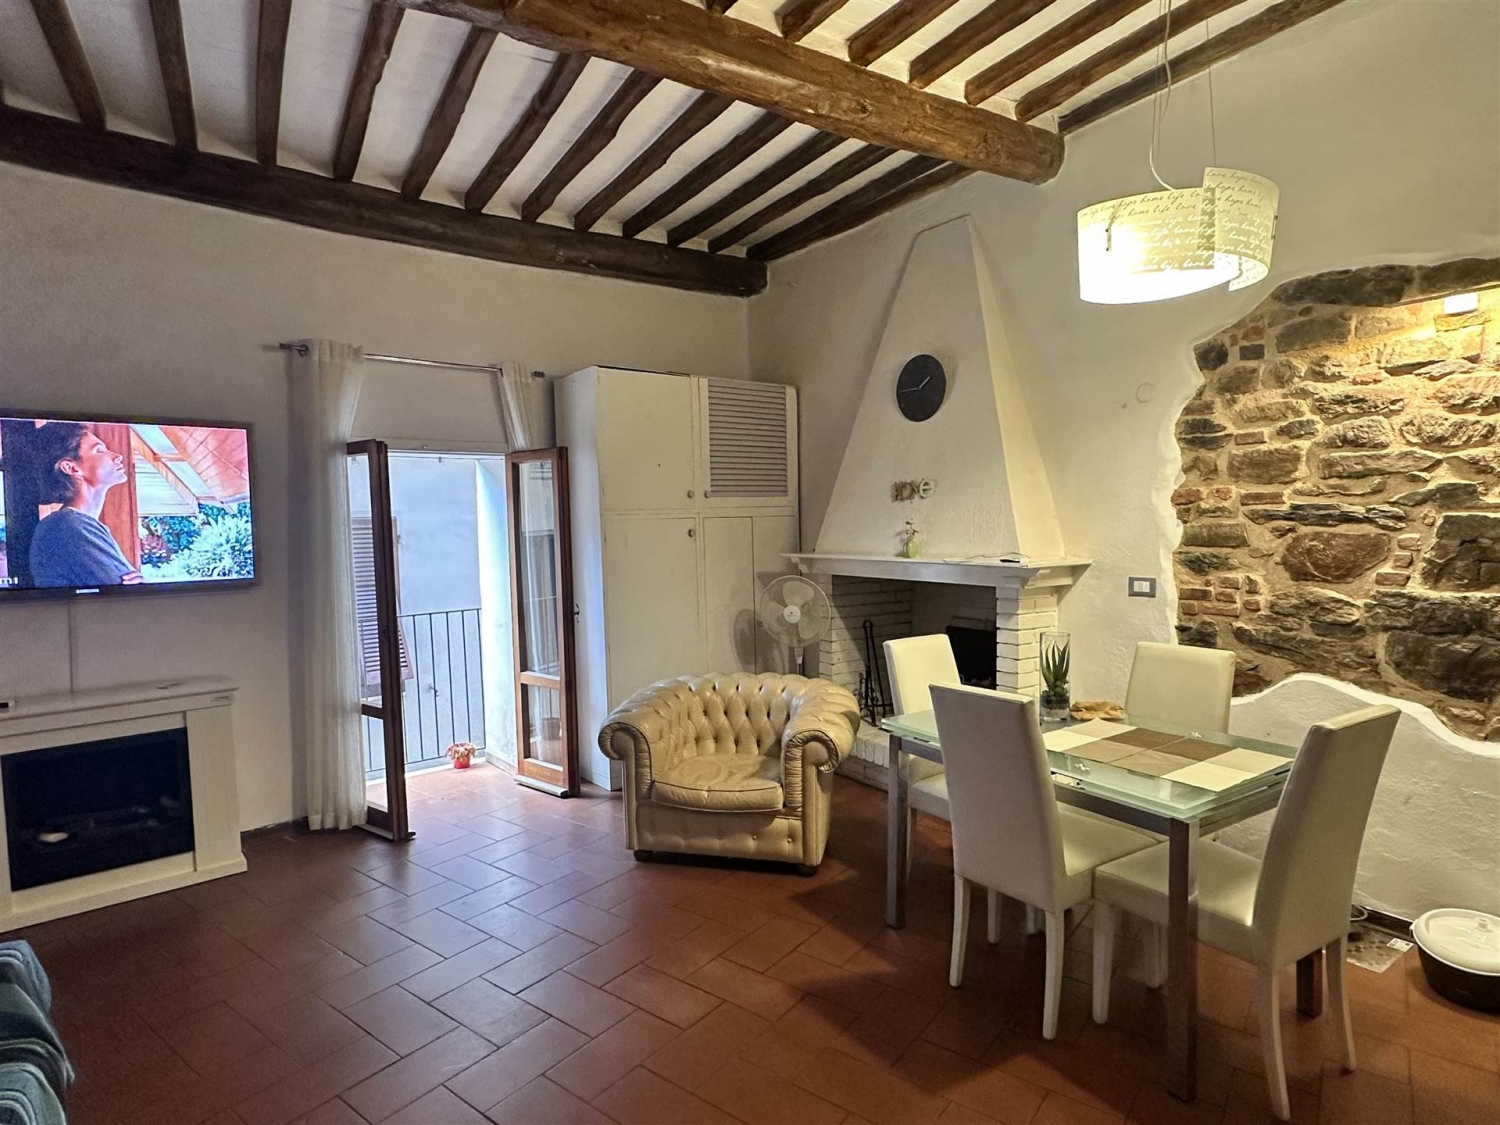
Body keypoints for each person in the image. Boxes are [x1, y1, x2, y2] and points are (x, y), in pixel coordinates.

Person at [27, 422, 142, 587]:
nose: (117, 456)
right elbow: (129, 595)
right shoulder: (69, 526)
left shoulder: (77, 523)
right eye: (99, 450)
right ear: (71, 468)